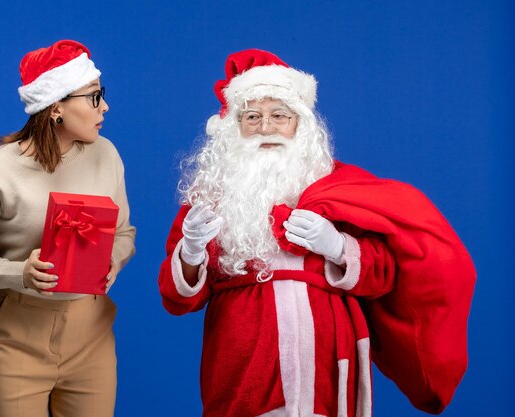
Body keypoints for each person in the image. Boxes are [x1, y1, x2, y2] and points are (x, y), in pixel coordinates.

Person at [158, 49, 475, 417]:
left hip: (327, 358)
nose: (266, 128)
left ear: (301, 124)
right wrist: (191, 250)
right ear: (235, 126)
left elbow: (383, 276)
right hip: (243, 359)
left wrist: (338, 246)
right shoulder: (210, 195)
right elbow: (177, 299)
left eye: (279, 116)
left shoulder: (340, 187)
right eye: (252, 117)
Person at [0, 40, 136, 417]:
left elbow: (125, 233)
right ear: (56, 106)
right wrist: (20, 273)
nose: (105, 107)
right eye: (94, 97)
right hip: (18, 336)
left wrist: (112, 259)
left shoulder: (106, 154)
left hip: (91, 333)